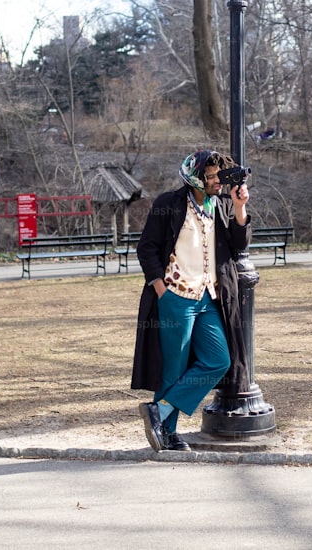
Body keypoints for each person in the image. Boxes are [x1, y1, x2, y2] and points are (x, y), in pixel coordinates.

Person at [131, 149, 252, 452]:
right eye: (210, 177)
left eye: (218, 176)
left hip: (209, 297)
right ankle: (167, 434)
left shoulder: (222, 205)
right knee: (174, 367)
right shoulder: (168, 205)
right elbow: (146, 248)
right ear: (196, 178)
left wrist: (240, 207)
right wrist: (161, 288)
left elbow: (240, 245)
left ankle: (161, 412)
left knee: (219, 360)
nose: (217, 181)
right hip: (176, 297)